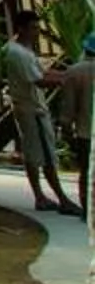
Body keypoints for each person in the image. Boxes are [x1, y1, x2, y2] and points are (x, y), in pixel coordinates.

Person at [3, 14, 73, 213]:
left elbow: (42, 73)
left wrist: (68, 74)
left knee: (35, 153)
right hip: (31, 109)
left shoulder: (24, 51)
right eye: (33, 28)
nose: (36, 32)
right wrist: (65, 81)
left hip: (31, 107)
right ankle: (58, 198)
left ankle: (43, 196)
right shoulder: (18, 53)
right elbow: (39, 80)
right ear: (22, 28)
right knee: (44, 156)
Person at [51, 32, 95, 220]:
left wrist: (66, 129)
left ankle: (88, 211)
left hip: (86, 133)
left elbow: (68, 108)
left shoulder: (75, 72)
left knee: (87, 173)